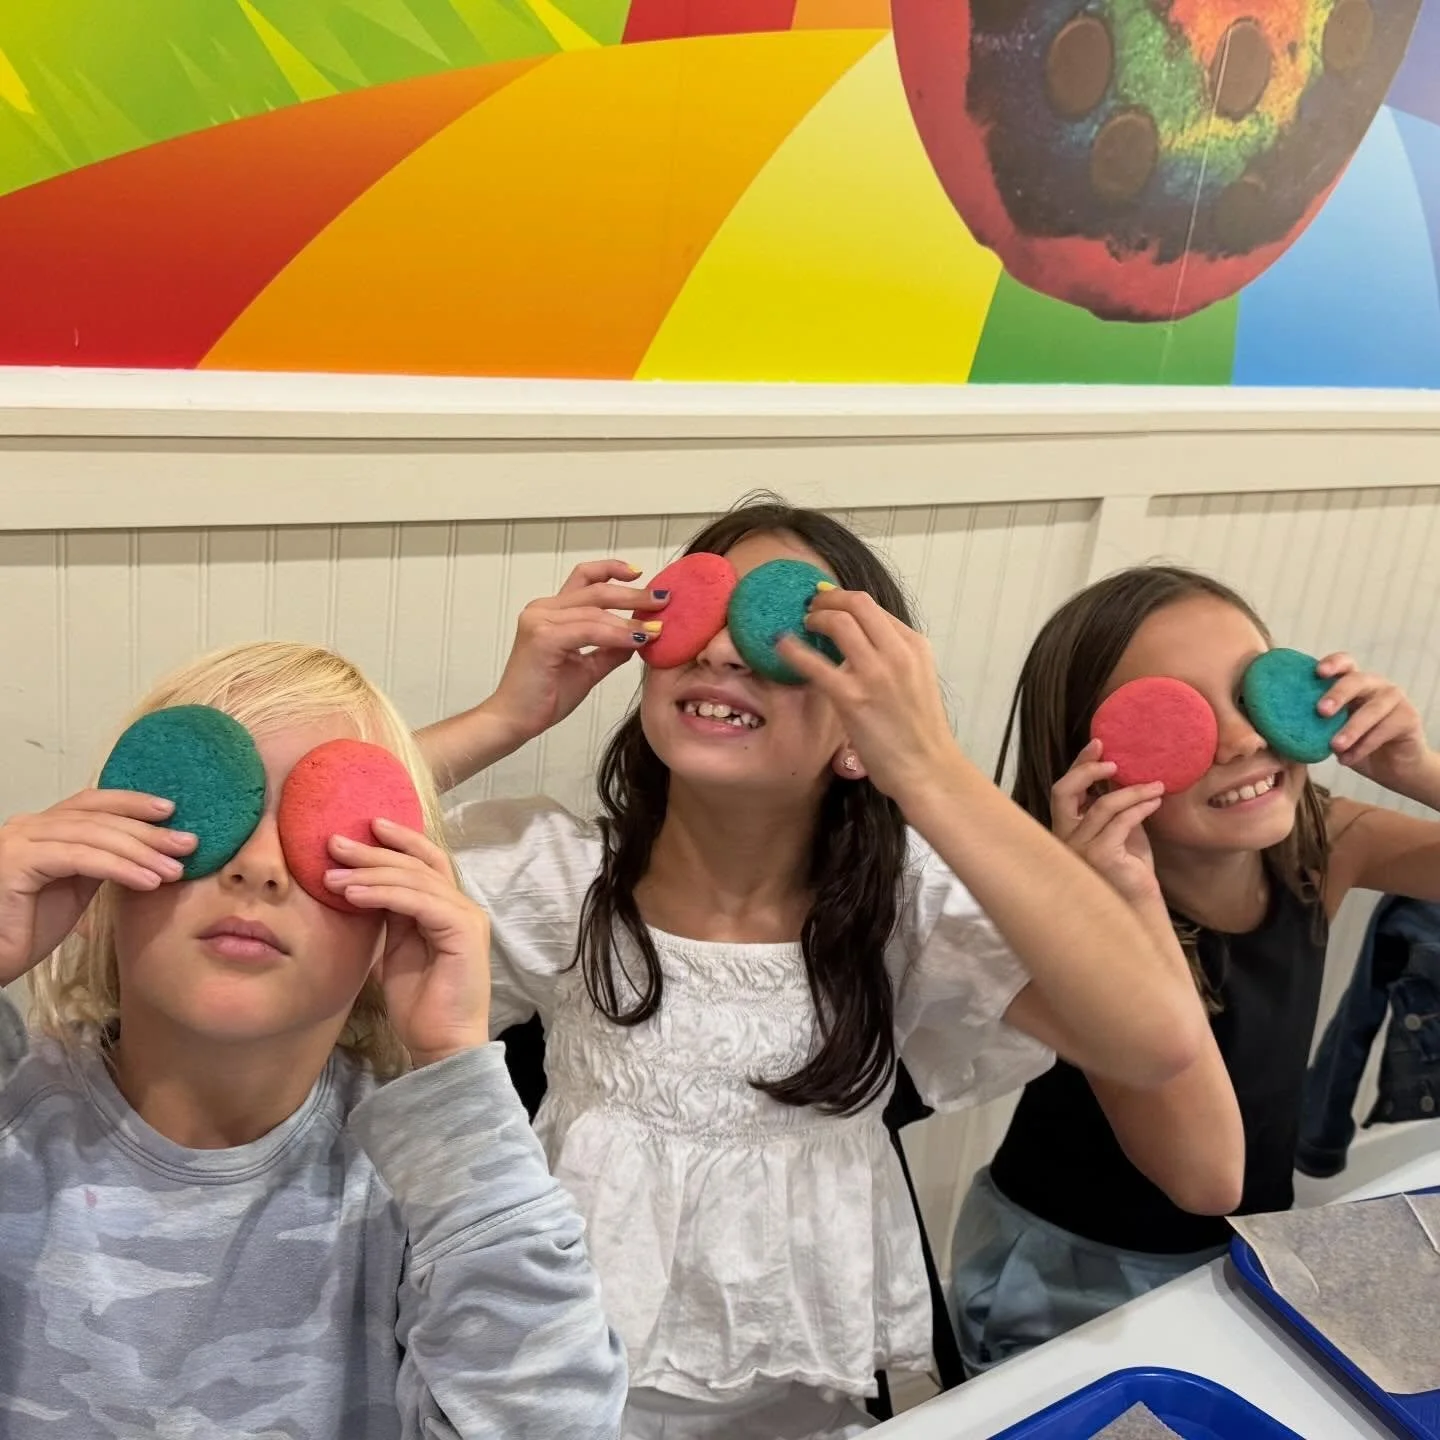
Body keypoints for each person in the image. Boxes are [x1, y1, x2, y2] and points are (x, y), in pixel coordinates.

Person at [421, 500, 1212, 1439]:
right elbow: (309, 856)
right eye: (699, 615)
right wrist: (505, 716)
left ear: (858, 734)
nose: (721, 651)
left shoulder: (904, 913)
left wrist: (928, 768)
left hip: (788, 1400)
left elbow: (1157, 1039)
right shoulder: (558, 878)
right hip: (562, 1382)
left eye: (783, 633)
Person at [0, 640, 627, 1439]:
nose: (261, 865)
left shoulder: (429, 1187)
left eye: (322, 835)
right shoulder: (12, 1127)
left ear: (391, 922)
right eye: (204, 812)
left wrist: (457, 1081)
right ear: (102, 878)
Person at [948, 564, 1440, 1373]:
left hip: (1237, 1254)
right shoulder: (1066, 920)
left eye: (1253, 695)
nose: (1245, 738)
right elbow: (1205, 1178)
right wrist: (1129, 900)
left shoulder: (1321, 843)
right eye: (1179, 718)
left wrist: (1417, 769)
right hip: (1069, 1281)